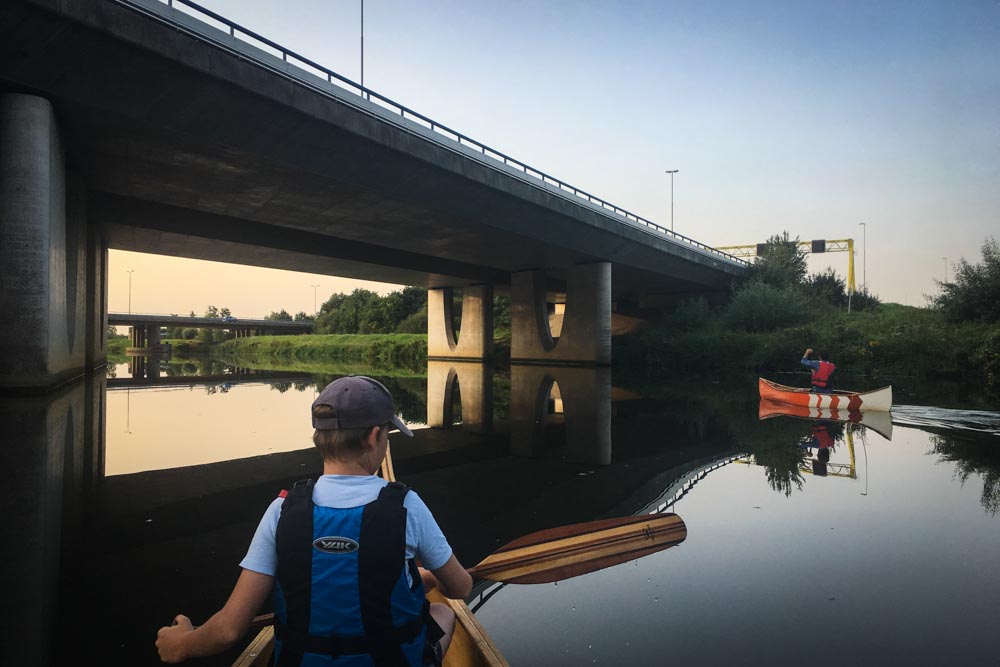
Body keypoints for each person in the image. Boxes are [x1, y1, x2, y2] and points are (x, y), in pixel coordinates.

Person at [156, 375, 473, 666]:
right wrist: (432, 577)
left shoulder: (281, 510)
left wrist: (181, 644)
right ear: (374, 437)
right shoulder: (407, 506)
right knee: (442, 612)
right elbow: (460, 587)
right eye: (388, 435)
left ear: (319, 437)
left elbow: (228, 630)